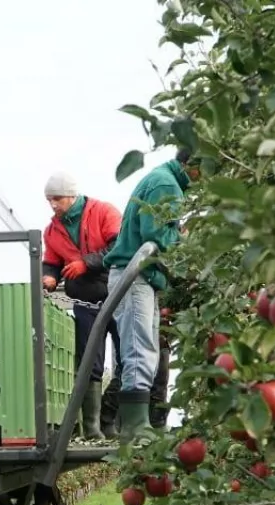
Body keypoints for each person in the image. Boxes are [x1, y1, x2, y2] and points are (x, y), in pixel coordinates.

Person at [102, 147, 196, 440]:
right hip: (135, 276)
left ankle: (138, 422)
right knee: (138, 347)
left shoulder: (164, 180)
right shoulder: (166, 184)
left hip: (144, 278)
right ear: (191, 164)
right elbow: (154, 235)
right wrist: (183, 241)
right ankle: (134, 425)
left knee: (147, 348)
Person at [39, 172, 122, 441]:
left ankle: (112, 420)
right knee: (89, 362)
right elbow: (51, 260)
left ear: (72, 196)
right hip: (85, 301)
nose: (53, 204)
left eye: (57, 199)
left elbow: (119, 247)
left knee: (128, 359)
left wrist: (87, 263)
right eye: (49, 199)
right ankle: (92, 429)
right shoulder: (51, 231)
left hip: (117, 294)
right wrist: (50, 275)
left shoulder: (103, 212)